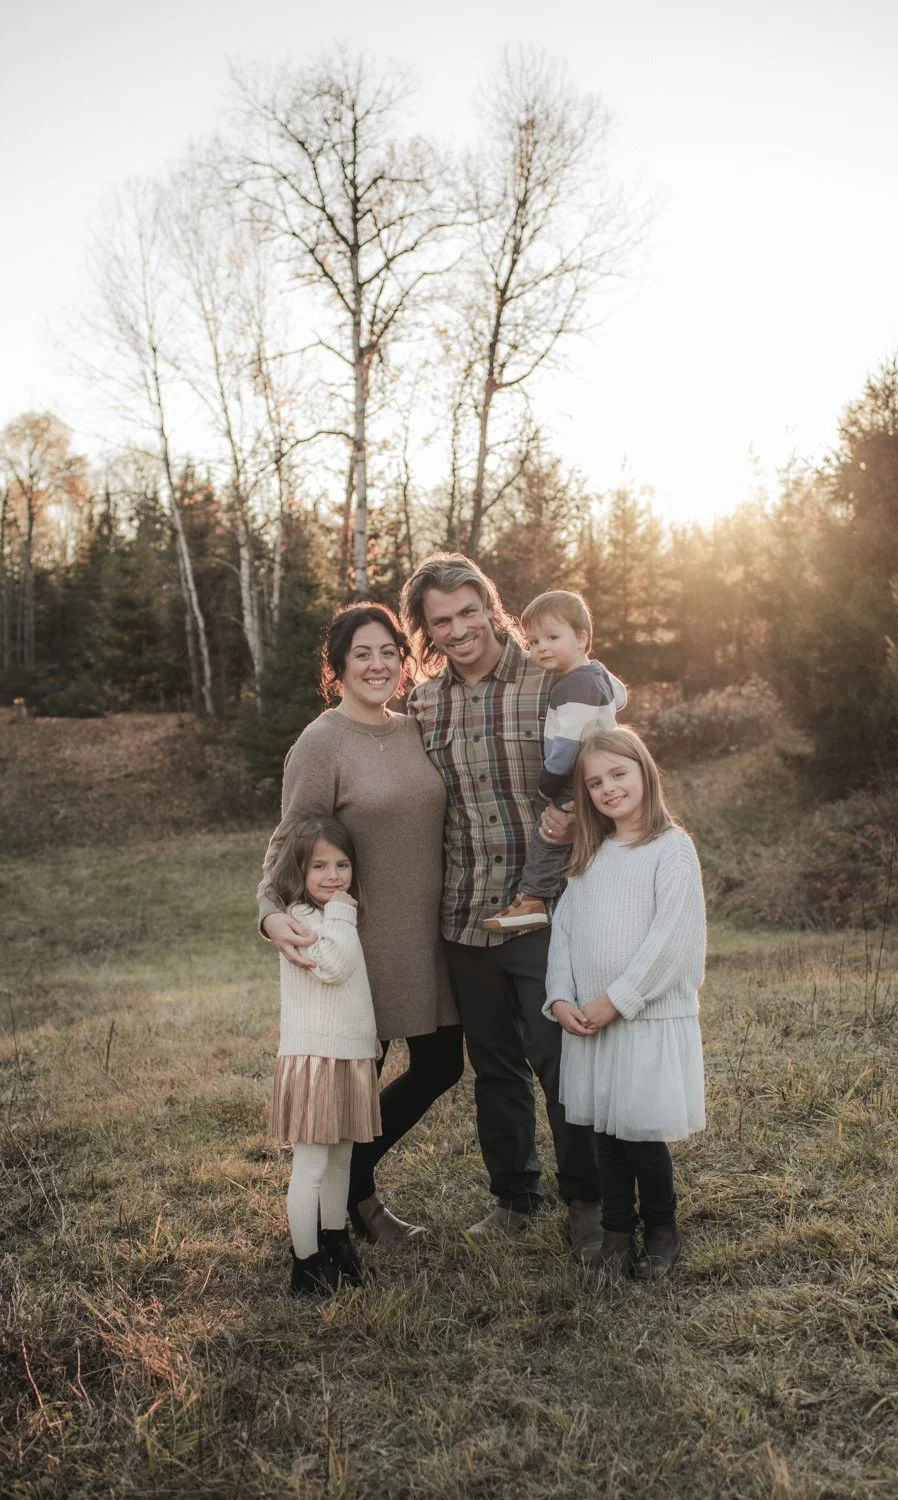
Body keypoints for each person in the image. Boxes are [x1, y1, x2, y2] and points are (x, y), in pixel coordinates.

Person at [400, 554, 602, 1257]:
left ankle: (588, 1202)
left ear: (491, 605)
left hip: (543, 907)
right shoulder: (423, 706)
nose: (458, 630)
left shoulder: (552, 679)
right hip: (463, 913)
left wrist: (577, 808)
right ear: (426, 631)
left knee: (559, 1057)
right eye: (440, 621)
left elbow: (608, 757)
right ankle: (515, 1196)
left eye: (467, 612)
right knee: (494, 1069)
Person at [258, 603, 463, 1245]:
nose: (378, 665)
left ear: (403, 662)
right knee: (353, 1090)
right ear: (339, 667)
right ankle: (340, 1217)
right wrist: (269, 913)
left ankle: (354, 1183)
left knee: (441, 1066)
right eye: (362, 654)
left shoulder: (416, 727)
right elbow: (289, 843)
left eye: (388, 653)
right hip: (355, 949)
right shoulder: (321, 744)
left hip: (426, 939)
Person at [543, 727, 707, 1280]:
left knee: (641, 1136)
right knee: (605, 1138)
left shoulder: (671, 849)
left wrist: (618, 1000)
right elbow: (564, 932)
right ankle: (617, 1233)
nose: (609, 788)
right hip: (592, 1022)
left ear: (644, 773)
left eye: (619, 774)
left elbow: (672, 940)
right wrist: (560, 997)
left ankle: (661, 1232)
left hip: (644, 1019)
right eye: (595, 782)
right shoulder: (589, 856)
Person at [263, 812, 380, 1296]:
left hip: (347, 1055)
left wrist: (366, 1035)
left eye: (343, 864)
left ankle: (336, 1240)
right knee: (311, 1167)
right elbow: (332, 966)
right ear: (298, 871)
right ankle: (305, 1264)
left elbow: (354, 987)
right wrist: (342, 911)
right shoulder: (301, 919)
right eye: (319, 867)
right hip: (314, 1060)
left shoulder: (334, 916)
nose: (333, 876)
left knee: (340, 1161)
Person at [482, 589, 626, 933]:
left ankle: (532, 899)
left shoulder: (572, 687)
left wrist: (546, 785)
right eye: (533, 642)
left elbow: (566, 747)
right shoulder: (595, 675)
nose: (540, 647)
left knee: (547, 832)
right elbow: (621, 696)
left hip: (576, 777)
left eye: (552, 637)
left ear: (581, 639)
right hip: (598, 777)